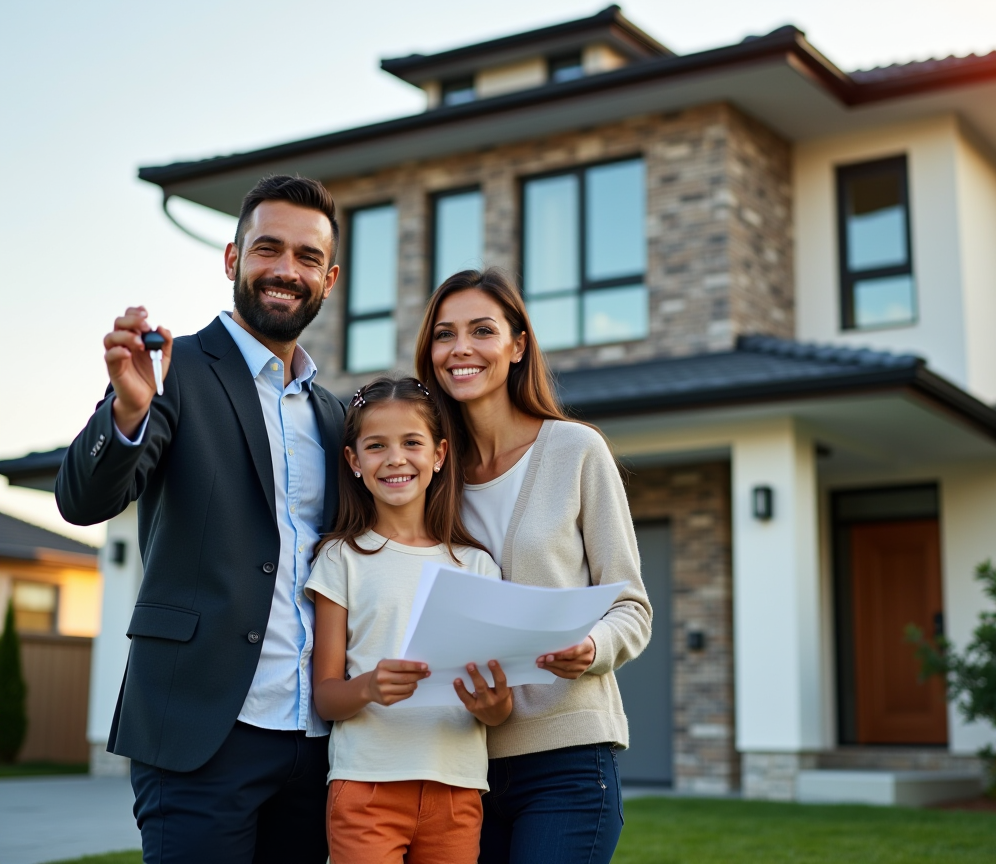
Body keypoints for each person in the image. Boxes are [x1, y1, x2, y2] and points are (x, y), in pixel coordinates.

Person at [55, 174, 346, 864]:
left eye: (307, 258)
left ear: (329, 279)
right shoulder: (173, 368)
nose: (285, 270)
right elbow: (83, 500)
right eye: (267, 249)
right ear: (232, 260)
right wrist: (126, 413)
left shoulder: (335, 415)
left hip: (313, 742)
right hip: (199, 732)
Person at [414, 267, 652, 864]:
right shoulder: (429, 473)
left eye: (482, 330)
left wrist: (592, 648)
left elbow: (631, 606)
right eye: (444, 334)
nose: (460, 348)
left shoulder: (575, 450)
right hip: (460, 763)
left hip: (567, 763)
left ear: (518, 346)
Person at [308, 376, 512, 864]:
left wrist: (493, 703)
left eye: (411, 443)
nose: (395, 458)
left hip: (457, 790)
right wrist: (369, 688)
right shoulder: (342, 558)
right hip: (366, 787)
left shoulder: (477, 566)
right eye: (376, 446)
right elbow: (326, 696)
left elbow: (499, 711)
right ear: (355, 462)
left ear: (439, 455)